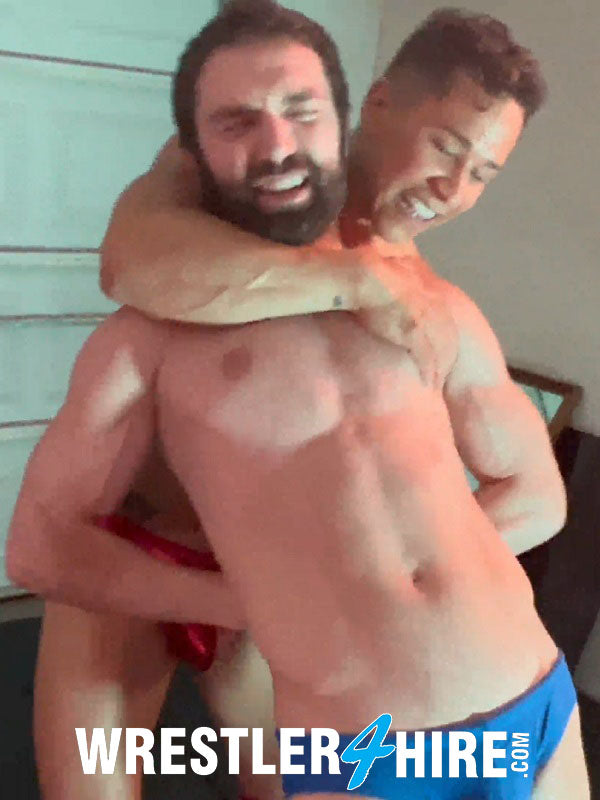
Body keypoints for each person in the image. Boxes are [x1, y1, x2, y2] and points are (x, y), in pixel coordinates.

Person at [8, 2, 589, 798]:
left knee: (265, 780)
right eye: (447, 147)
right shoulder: (183, 258)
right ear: (373, 105)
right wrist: (351, 280)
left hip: (400, 659)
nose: (456, 188)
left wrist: (356, 581)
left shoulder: (430, 306)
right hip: (136, 542)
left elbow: (537, 495)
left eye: (483, 172)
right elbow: (128, 259)